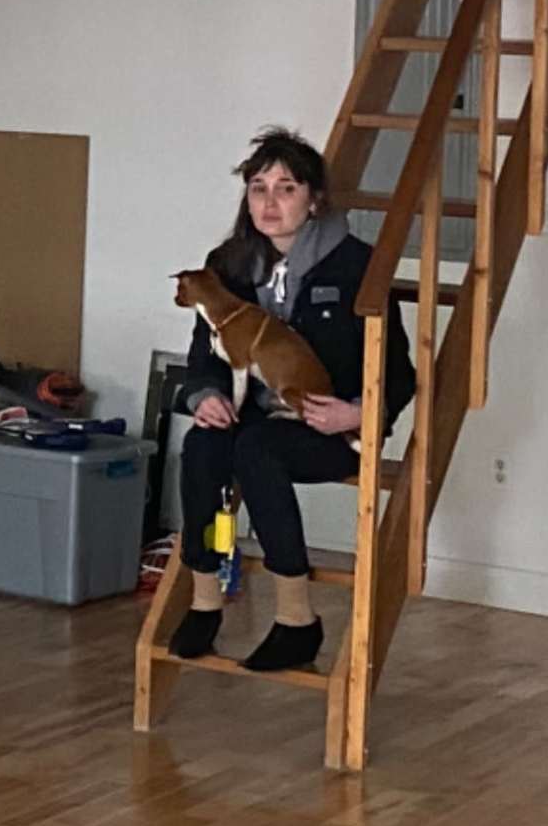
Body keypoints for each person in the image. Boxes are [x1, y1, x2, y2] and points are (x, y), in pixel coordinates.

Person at [168, 126, 414, 674]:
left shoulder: (357, 266)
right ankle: (204, 600)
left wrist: (358, 412)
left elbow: (399, 372)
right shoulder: (226, 263)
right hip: (250, 414)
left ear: (314, 199)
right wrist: (204, 395)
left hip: (329, 428)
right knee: (205, 446)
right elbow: (204, 353)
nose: (270, 202)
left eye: (286, 188)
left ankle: (296, 620)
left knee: (258, 449)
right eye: (259, 188)